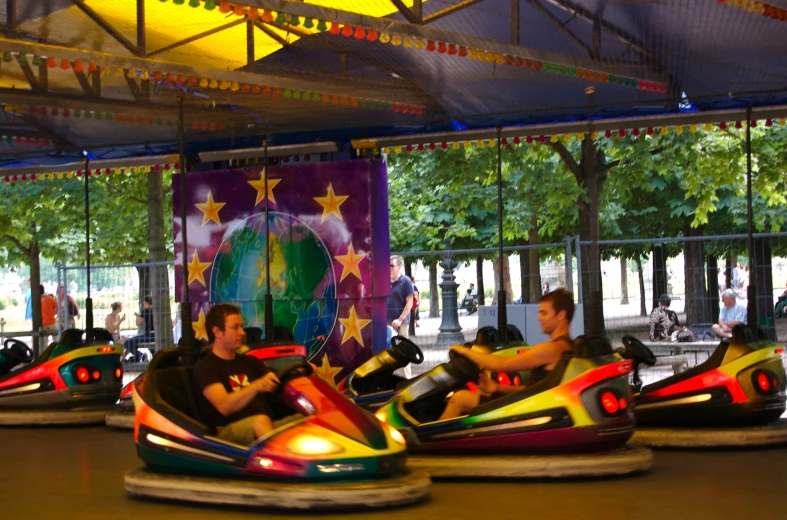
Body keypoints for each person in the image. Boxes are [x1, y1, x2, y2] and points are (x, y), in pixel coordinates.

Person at [439, 289, 575, 421]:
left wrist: (465, 351)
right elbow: (532, 389)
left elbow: (500, 364)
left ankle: (430, 444)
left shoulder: (550, 349)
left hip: (525, 411)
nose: (539, 318)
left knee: (459, 398)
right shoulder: (567, 346)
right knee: (478, 394)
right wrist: (498, 388)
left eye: (544, 313)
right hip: (531, 404)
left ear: (561, 315)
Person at [193, 304, 281, 445]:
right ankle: (283, 464)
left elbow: (275, 380)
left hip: (264, 423)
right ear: (217, 332)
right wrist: (257, 385)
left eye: (241, 326)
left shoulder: (250, 362)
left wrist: (301, 372)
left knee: (305, 419)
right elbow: (224, 406)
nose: (242, 332)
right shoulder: (206, 367)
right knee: (260, 421)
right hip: (227, 433)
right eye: (235, 328)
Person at [387, 255, 414, 339]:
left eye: (392, 265)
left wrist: (400, 319)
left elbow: (409, 303)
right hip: (386, 321)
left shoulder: (406, 281)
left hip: (402, 322)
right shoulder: (383, 281)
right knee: (387, 348)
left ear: (399, 266)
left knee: (401, 348)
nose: (389, 268)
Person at [124, 296, 155, 362]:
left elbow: (138, 323)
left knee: (127, 342)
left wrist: (138, 316)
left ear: (147, 303)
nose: (143, 305)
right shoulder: (157, 310)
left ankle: (139, 355)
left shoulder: (146, 311)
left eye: (144, 304)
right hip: (157, 334)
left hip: (149, 335)